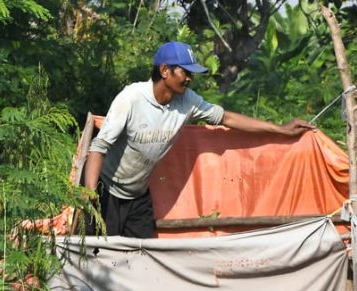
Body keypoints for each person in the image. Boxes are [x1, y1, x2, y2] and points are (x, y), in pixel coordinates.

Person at [83, 41, 314, 238]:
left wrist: (280, 129)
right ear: (165, 70)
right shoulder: (131, 99)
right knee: (101, 256)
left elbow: (227, 117)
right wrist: (91, 195)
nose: (190, 78)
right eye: (185, 72)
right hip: (107, 193)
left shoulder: (188, 101)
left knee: (142, 258)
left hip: (139, 196)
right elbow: (99, 147)